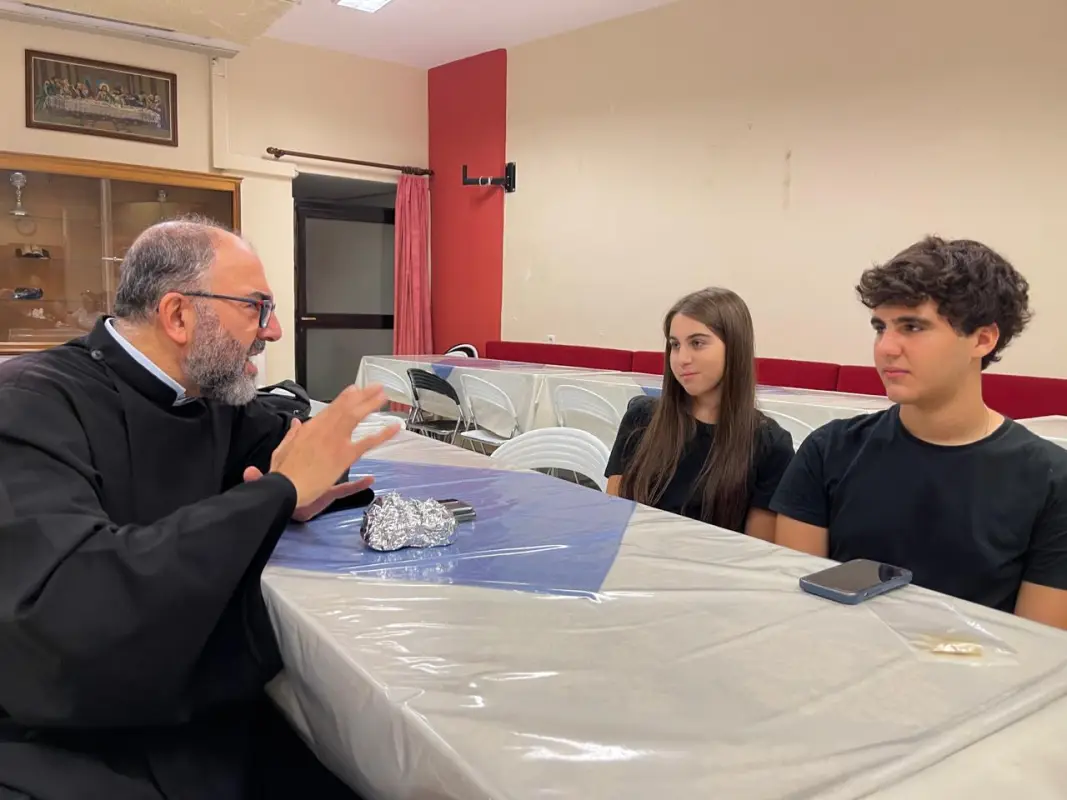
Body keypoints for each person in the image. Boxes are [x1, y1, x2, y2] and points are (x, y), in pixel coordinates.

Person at [0, 217, 399, 799]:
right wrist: (275, 494)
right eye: (257, 308)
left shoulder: (207, 396)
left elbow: (295, 458)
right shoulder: (31, 402)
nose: (274, 330)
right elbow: (69, 602)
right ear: (179, 315)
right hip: (73, 734)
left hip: (209, 705)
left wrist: (298, 483)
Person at [772, 236, 1067, 628]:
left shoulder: (1052, 481)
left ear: (982, 339)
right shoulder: (829, 450)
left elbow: (1039, 642)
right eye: (880, 327)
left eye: (912, 326)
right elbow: (796, 608)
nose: (885, 347)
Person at [606, 287, 795, 539]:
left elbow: (756, 551)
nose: (682, 358)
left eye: (697, 343)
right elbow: (614, 518)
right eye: (675, 345)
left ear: (734, 348)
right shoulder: (641, 418)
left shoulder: (770, 445)